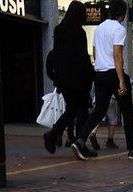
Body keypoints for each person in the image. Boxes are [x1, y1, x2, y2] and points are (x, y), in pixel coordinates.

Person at [70, 0, 133, 160]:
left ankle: (80, 141)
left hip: (99, 73)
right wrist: (121, 81)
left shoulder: (99, 28)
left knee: (99, 110)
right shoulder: (119, 29)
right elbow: (117, 55)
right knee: (127, 111)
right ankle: (132, 149)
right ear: (124, 13)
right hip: (114, 73)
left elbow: (94, 51)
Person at [43, 1, 93, 155]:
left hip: (63, 79)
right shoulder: (79, 32)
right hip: (78, 79)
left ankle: (54, 134)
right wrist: (91, 74)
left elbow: (57, 55)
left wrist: (55, 76)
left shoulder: (59, 30)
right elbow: (82, 58)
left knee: (72, 110)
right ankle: (80, 143)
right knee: (82, 110)